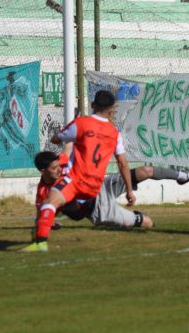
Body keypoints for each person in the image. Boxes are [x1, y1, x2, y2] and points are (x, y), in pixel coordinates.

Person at [21, 90, 132, 252]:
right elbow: (122, 163)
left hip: (76, 182)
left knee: (48, 203)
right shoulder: (115, 133)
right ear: (111, 110)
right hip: (94, 189)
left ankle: (41, 243)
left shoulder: (81, 124)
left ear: (93, 105)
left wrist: (64, 134)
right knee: (51, 204)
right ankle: (43, 232)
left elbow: (59, 140)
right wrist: (129, 189)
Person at [32, 150, 189, 230]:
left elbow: (68, 147)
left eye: (58, 166)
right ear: (42, 172)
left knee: (145, 170)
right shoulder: (44, 193)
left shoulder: (61, 163)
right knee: (146, 222)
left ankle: (184, 176)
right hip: (98, 210)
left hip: (102, 188)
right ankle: (135, 219)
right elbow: (43, 214)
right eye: (54, 168)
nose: (59, 169)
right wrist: (50, 223)